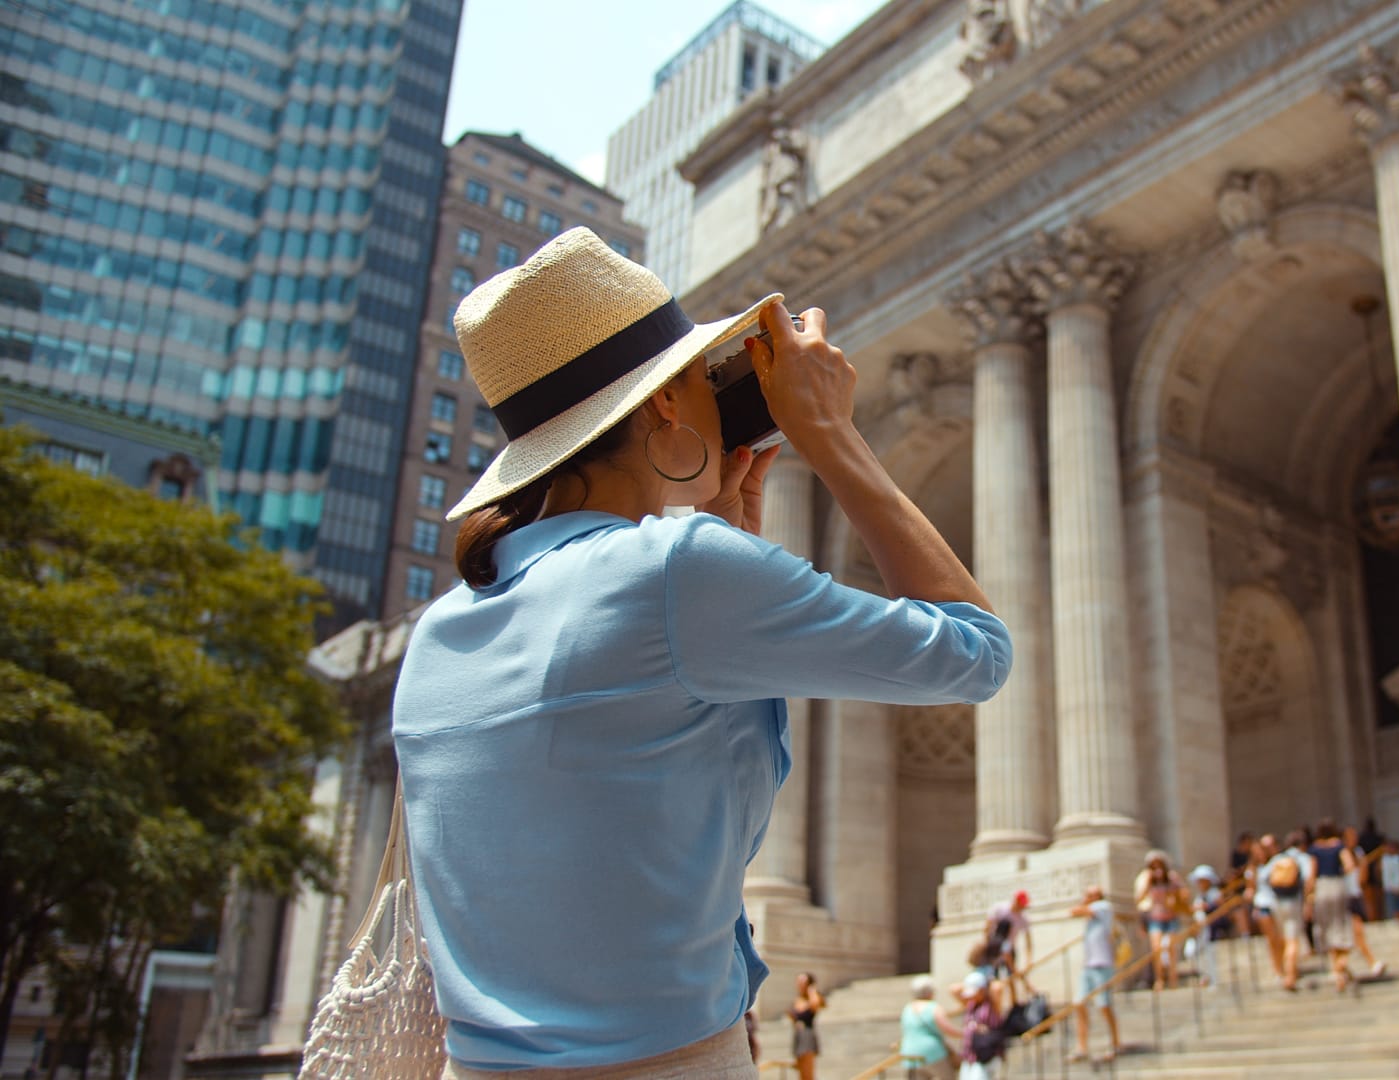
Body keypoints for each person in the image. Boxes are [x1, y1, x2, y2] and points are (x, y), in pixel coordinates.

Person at [390, 230, 1011, 1077]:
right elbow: (976, 653)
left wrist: (730, 546)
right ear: (666, 406)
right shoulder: (677, 571)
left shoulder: (438, 632)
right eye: (703, 373)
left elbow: (634, 814)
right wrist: (831, 436)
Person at [1067, 886, 1122, 1064]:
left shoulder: (1104, 906)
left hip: (1103, 964)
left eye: (1091, 895)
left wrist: (1084, 902)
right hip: (1088, 965)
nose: (1088, 898)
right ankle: (1082, 1047)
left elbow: (1075, 910)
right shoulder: (1091, 916)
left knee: (1104, 1005)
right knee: (1079, 1003)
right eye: (1087, 894)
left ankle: (1115, 1043)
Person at [1307, 819, 1360, 993]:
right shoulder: (1339, 846)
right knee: (1341, 924)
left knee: (1327, 926)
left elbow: (1311, 874)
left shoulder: (1315, 849)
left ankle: (1337, 970)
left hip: (1322, 887)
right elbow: (1350, 866)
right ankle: (1340, 966)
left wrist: (1309, 896)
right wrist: (1339, 873)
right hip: (1337, 885)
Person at [1265, 830, 1312, 992]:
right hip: (1293, 902)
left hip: (1277, 902)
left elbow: (1265, 878)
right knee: (1292, 940)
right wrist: (1308, 902)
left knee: (1285, 938)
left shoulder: (1277, 860)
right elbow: (1308, 880)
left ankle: (1287, 970)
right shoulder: (1301, 859)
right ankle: (1290, 975)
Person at [1342, 825, 1390, 979]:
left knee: (1356, 933)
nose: (1354, 839)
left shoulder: (1358, 852)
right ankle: (1370, 962)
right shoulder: (1341, 854)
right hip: (1343, 897)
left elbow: (1361, 878)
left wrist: (1362, 866)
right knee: (1355, 933)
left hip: (1355, 895)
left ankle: (1343, 968)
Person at [1134, 851, 1186, 990]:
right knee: (1156, 949)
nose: (1157, 869)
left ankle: (1173, 979)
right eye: (1153, 866)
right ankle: (1159, 979)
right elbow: (1139, 898)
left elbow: (1183, 894)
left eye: (1159, 866)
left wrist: (1173, 895)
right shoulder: (1148, 879)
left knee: (1171, 949)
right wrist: (1149, 881)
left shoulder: (1172, 877)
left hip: (1171, 917)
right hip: (1155, 917)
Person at [900, 975, 962, 1080]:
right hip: (932, 1053)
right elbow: (948, 1029)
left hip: (909, 1054)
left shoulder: (907, 1009)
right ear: (930, 992)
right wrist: (967, 1032)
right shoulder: (933, 1007)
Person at [956, 971, 1006, 1080]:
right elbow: (954, 989)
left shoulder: (992, 1004)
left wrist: (985, 982)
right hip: (970, 1055)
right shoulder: (970, 1005)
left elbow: (997, 988)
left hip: (986, 1056)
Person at [1184, 865, 1224, 987]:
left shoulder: (1215, 894)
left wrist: (1206, 907)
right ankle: (1206, 975)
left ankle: (1213, 980)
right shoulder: (1199, 896)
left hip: (1210, 929)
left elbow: (1218, 909)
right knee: (1190, 952)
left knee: (1210, 954)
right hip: (1200, 930)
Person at [982, 891, 1032, 983]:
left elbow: (1028, 941)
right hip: (995, 949)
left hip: (1009, 950)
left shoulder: (1023, 918)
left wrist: (1028, 961)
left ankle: (1013, 997)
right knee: (994, 978)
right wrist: (987, 946)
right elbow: (987, 928)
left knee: (1011, 978)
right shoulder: (999, 909)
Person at [789, 973, 826, 1080]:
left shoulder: (813, 998)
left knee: (808, 1074)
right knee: (801, 1074)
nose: (800, 984)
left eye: (803, 982)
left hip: (807, 1035)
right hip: (798, 1036)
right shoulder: (797, 999)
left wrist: (812, 989)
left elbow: (815, 1005)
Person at [1381, 840, 1399, 921]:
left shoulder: (1398, 859)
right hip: (1389, 888)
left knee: (1398, 908)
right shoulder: (1385, 859)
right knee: (1392, 909)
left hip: (1397, 887)